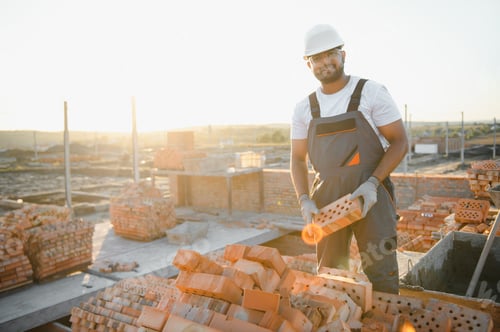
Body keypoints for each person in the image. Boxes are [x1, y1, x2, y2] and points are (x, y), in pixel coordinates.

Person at [290, 24, 408, 294]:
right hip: (326, 200)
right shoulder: (304, 108)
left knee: (382, 273)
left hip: (371, 194)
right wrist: (304, 199)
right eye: (316, 58)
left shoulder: (371, 92)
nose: (324, 62)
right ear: (308, 65)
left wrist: (373, 183)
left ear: (343, 55)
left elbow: (400, 141)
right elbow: (297, 159)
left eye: (330, 53)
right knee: (332, 276)